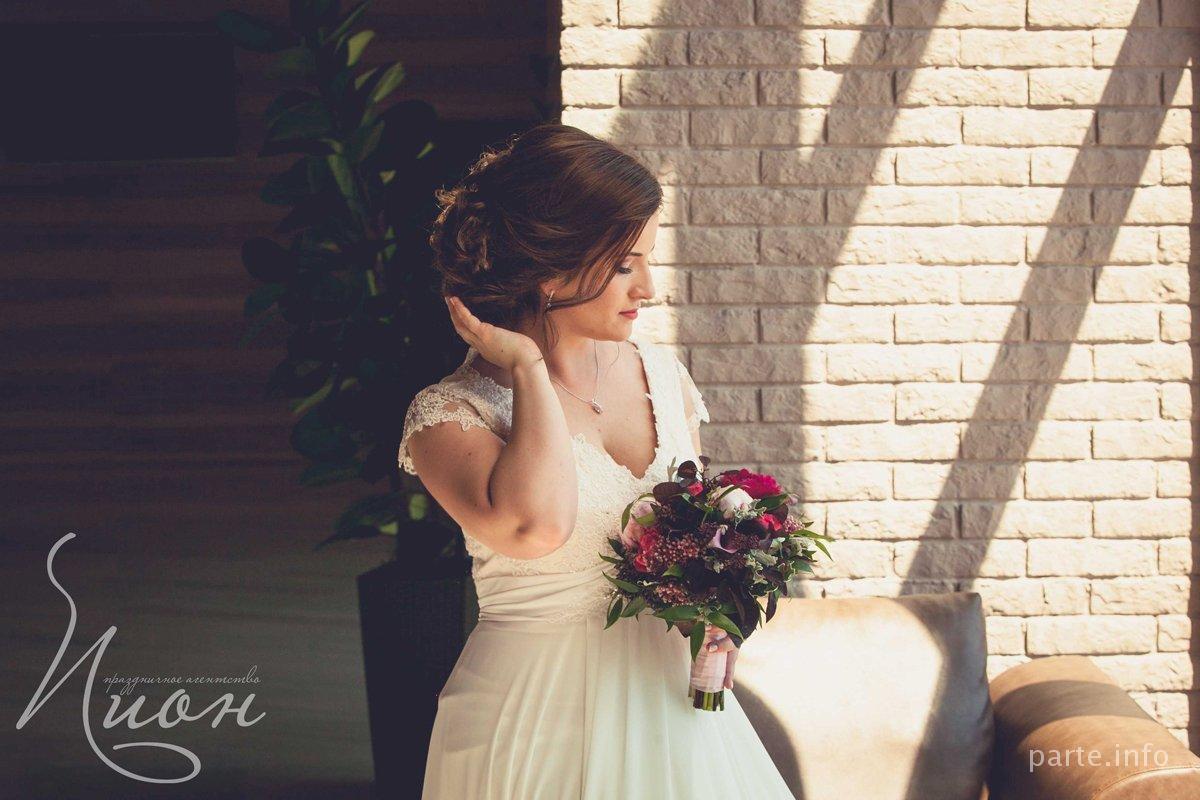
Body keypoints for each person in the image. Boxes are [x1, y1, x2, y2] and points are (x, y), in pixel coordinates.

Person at [397, 123, 794, 799]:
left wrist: (717, 607)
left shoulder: (662, 377)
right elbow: (537, 528)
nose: (649, 288)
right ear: (549, 268)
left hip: (673, 719)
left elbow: (691, 534)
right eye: (624, 266)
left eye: (647, 259)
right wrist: (527, 367)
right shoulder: (450, 416)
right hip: (535, 722)